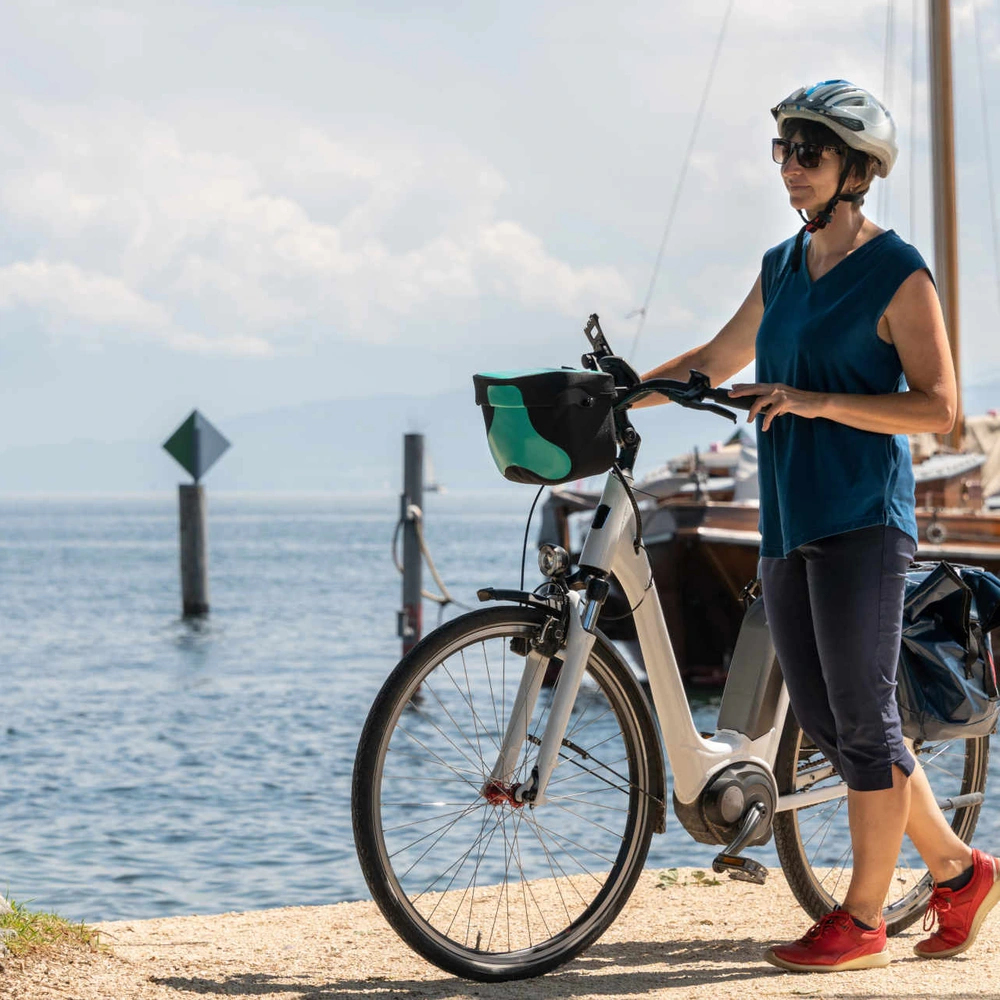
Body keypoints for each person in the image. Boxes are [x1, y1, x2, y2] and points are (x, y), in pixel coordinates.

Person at [635, 79, 1000, 972]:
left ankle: (865, 921)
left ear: (856, 169)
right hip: (787, 519)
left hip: (862, 523)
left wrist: (812, 400)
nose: (790, 167)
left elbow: (939, 410)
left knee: (867, 724)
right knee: (837, 733)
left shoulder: (899, 272)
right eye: (784, 150)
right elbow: (720, 358)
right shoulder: (782, 268)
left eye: (810, 152)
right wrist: (627, 391)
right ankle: (960, 871)